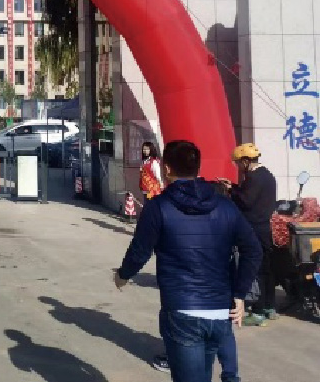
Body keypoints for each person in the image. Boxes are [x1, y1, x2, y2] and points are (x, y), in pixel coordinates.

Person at [114, 140, 262, 382]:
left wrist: (122, 275)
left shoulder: (158, 207)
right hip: (219, 311)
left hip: (183, 311)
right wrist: (239, 293)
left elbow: (140, 252)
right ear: (197, 167)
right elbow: (253, 250)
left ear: (167, 168)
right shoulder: (225, 206)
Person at [221, 143, 278, 326]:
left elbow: (245, 201)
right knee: (267, 268)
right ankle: (269, 307)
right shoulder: (267, 175)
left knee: (255, 269)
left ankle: (258, 311)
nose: (238, 166)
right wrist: (234, 187)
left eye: (238, 162)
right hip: (264, 228)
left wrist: (231, 190)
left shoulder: (254, 177)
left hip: (253, 229)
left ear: (246, 161)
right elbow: (249, 196)